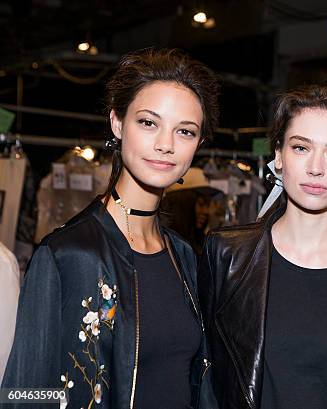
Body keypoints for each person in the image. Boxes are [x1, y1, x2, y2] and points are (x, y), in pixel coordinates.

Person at [1, 48, 219, 409]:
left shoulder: (184, 257)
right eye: (148, 123)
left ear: (199, 144)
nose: (165, 144)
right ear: (117, 123)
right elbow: (23, 393)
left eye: (185, 131)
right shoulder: (68, 254)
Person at [198, 84, 327, 409]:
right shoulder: (227, 254)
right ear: (278, 153)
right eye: (301, 148)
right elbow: (203, 377)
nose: (316, 167)